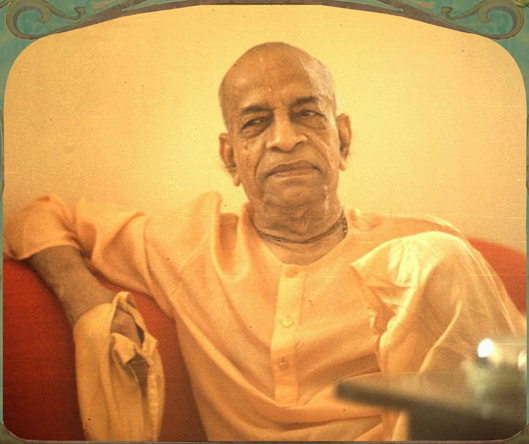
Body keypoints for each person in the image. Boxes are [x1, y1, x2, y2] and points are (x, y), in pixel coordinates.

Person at [4, 42, 525, 441]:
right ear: (230, 156)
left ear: (342, 139)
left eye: (307, 113)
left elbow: (510, 386)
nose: (285, 138)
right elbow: (38, 217)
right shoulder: (189, 243)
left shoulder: (424, 244)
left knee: (437, 258)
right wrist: (88, 305)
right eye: (256, 123)